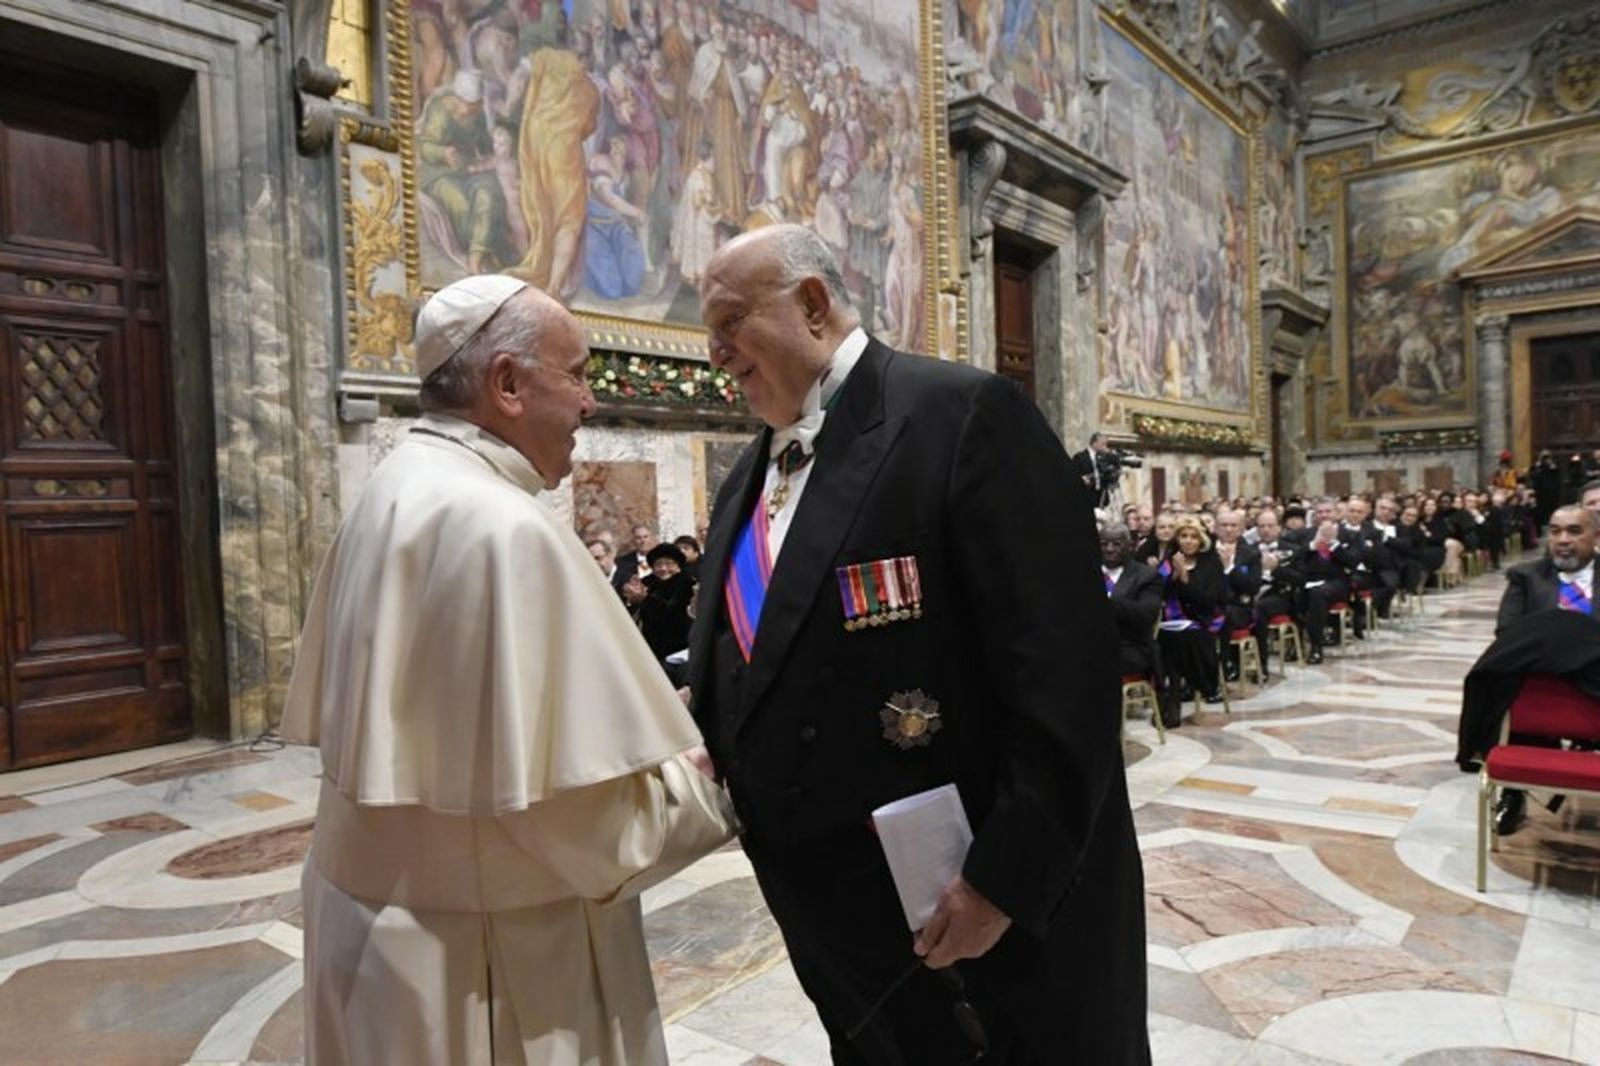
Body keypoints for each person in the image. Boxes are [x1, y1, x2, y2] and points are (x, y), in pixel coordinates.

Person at [686, 225, 1149, 1064]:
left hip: (988, 922)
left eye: (728, 325)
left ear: (813, 305)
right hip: (851, 935)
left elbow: (1067, 679)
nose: (715, 354)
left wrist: (1003, 881)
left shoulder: (964, 418)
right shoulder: (744, 483)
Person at [283, 276, 734, 1065]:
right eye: (580, 374)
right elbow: (590, 832)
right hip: (487, 968)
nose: (590, 403)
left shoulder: (393, 489)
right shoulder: (501, 527)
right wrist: (709, 789)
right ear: (508, 384)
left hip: (379, 939)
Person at [1485, 504, 1596, 834]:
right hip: (1542, 684)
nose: (1563, 540)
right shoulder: (1526, 577)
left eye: (1574, 531)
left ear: (1596, 536)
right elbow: (1508, 633)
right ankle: (1515, 791)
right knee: (1510, 680)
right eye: (1556, 531)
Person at [1155, 516, 1227, 710]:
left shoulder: (1211, 563)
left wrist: (1186, 580)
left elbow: (1209, 601)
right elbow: (1157, 595)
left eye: (1193, 537)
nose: (1188, 540)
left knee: (1191, 636)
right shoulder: (1168, 564)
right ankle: (1179, 685)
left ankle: (1205, 685)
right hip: (1172, 621)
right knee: (1168, 638)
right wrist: (1174, 577)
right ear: (1177, 539)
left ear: (1201, 540)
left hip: (1204, 618)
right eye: (1183, 536)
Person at [1100, 522, 1165, 718]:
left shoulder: (1146, 576)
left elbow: (1146, 615)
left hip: (1130, 647)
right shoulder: (1084, 572)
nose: (1109, 549)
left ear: (1130, 546)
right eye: (1104, 544)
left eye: (1116, 544)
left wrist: (1107, 602)